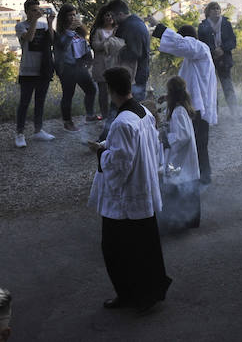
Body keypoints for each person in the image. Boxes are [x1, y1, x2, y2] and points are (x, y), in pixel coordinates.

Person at [87, 66, 171, 312]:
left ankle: (129, 295)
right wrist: (106, 144)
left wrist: (101, 151)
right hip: (144, 189)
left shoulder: (123, 122)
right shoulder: (144, 112)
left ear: (111, 90)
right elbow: (146, 147)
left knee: (116, 251)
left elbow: (120, 164)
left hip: (126, 200)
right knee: (145, 248)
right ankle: (148, 293)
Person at [150, 19, 217, 185]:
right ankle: (196, 176)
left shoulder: (200, 48)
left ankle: (202, 178)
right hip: (194, 106)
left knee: (198, 144)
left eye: (182, 40)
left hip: (198, 108)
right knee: (195, 144)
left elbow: (180, 44)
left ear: (189, 39)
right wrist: (168, 96)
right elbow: (187, 84)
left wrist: (160, 28)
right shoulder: (193, 58)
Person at [157, 76, 202, 234]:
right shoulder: (181, 108)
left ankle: (178, 224)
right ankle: (182, 222)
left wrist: (166, 136)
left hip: (180, 161)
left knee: (177, 188)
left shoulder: (178, 112)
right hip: (182, 160)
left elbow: (183, 137)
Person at [14, 0, 56, 148]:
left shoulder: (44, 25)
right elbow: (29, 38)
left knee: (40, 102)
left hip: (43, 70)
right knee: (24, 103)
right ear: (27, 12)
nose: (36, 12)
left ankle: (38, 130)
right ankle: (19, 133)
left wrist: (50, 23)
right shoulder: (20, 26)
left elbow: (52, 40)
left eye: (37, 9)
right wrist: (35, 21)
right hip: (27, 70)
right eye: (33, 10)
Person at [54, 4, 98, 133]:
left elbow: (84, 45)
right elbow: (62, 46)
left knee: (91, 89)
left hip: (79, 66)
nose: (73, 17)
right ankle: (68, 122)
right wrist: (71, 31)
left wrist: (89, 59)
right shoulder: (60, 34)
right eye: (69, 15)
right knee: (68, 95)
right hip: (67, 68)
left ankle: (90, 115)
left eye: (74, 14)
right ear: (63, 17)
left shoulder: (79, 32)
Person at [197, 2, 238, 113]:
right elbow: (200, 44)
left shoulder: (226, 24)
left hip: (224, 59)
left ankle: (235, 111)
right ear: (208, 12)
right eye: (213, 9)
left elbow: (233, 42)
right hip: (209, 59)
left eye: (218, 8)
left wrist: (222, 49)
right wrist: (213, 51)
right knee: (211, 88)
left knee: (227, 85)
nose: (216, 11)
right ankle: (213, 112)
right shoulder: (202, 26)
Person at [107, 0, 151, 101]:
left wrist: (115, 50)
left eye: (113, 16)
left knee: (131, 108)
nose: (112, 20)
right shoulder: (135, 23)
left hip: (134, 76)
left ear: (121, 14)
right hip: (135, 74)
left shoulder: (132, 27)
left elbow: (134, 53)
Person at [89, 4, 125, 122]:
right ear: (102, 17)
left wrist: (109, 43)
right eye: (107, 15)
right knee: (103, 92)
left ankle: (115, 114)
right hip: (101, 65)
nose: (109, 17)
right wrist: (109, 41)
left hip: (116, 64)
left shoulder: (118, 29)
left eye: (111, 15)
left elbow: (122, 45)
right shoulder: (98, 31)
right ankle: (104, 115)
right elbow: (96, 46)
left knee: (116, 91)